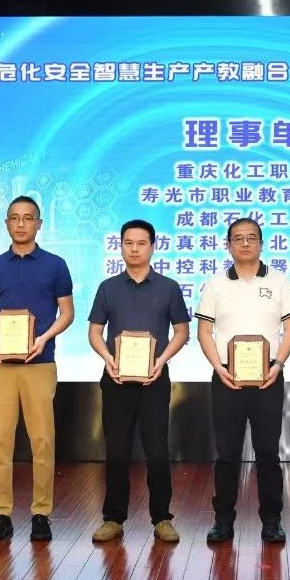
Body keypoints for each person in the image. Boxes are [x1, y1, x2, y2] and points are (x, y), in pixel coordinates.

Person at [0, 196, 74, 543]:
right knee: (0, 441)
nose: (21, 224)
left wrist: (44, 338)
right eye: (14, 218)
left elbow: (67, 313)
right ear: (6, 223)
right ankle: (1, 513)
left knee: (42, 440)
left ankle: (41, 513)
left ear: (39, 224)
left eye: (28, 218)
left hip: (39, 363)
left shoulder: (56, 265)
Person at [195, 218, 290, 544]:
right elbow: (204, 331)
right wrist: (218, 367)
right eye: (238, 238)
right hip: (227, 376)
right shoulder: (215, 284)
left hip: (268, 376)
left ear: (261, 244)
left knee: (268, 453)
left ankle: (272, 520)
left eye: (251, 238)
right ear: (227, 245)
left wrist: (278, 364)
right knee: (227, 454)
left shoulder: (279, 281)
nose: (244, 243)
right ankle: (223, 520)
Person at [87, 219, 191, 543]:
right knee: (117, 452)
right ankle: (113, 518)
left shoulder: (169, 287)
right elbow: (95, 331)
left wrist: (161, 360)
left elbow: (182, 331)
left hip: (154, 381)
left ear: (153, 247)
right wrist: (108, 358)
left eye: (141, 243)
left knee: (157, 452)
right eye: (128, 243)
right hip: (116, 380)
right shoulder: (108, 287)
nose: (134, 249)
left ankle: (162, 518)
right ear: (120, 246)